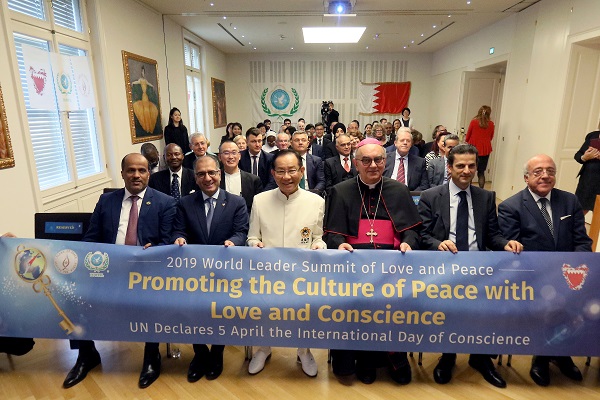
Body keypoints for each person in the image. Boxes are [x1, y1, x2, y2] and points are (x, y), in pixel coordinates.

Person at [63, 153, 176, 389]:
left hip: (146, 274)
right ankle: (86, 354)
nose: (136, 175)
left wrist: (155, 250)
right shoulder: (107, 201)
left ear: (149, 174)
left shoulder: (164, 202)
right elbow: (91, 237)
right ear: (122, 173)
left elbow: (167, 243)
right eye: (131, 170)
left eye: (142, 170)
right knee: (73, 297)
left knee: (153, 301)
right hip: (107, 271)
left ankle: (151, 356)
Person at [418, 144, 522, 389]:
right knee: (449, 312)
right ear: (449, 167)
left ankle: (480, 357)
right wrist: (438, 244)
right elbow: (422, 235)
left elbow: (493, 235)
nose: (466, 170)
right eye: (460, 165)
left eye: (471, 165)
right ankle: (448, 356)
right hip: (445, 267)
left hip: (479, 267)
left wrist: (505, 244)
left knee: (486, 311)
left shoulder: (486, 197)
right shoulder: (431, 196)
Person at [324, 139, 422, 385]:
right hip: (352, 270)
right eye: (366, 160)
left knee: (393, 311)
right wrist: (339, 244)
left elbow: (412, 230)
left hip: (392, 270)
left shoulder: (399, 190)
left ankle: (395, 359)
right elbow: (332, 233)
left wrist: (408, 243)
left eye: (378, 160)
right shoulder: (340, 191)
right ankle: (364, 361)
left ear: (385, 162)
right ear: (356, 163)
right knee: (356, 311)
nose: (373, 165)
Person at [498, 154, 592, 387]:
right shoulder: (511, 206)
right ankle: (541, 356)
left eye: (550, 171)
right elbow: (513, 251)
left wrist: (577, 269)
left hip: (569, 275)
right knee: (547, 303)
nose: (545, 176)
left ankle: (561, 354)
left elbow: (582, 241)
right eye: (538, 172)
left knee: (579, 299)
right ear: (526, 178)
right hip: (532, 277)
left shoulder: (570, 201)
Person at [246, 150, 326, 377]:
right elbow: (252, 236)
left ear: (302, 171)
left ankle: (303, 350)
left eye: (292, 170)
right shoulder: (260, 200)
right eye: (280, 171)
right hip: (268, 271)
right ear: (273, 173)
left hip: (301, 273)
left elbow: (317, 237)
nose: (287, 176)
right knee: (264, 312)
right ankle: (263, 348)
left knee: (303, 312)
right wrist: (255, 244)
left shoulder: (316, 201)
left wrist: (319, 245)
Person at [172, 154, 248, 383]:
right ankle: (200, 354)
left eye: (212, 173)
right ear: (195, 178)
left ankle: (216, 352)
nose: (207, 178)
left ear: (219, 174)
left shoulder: (236, 202)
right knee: (193, 313)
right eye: (201, 174)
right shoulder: (185, 203)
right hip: (193, 274)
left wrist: (233, 242)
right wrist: (179, 239)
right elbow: (179, 230)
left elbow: (241, 232)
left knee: (219, 313)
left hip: (225, 272)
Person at [219, 140, 263, 214]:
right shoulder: (214, 179)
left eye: (234, 153)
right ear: (220, 157)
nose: (231, 157)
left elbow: (257, 207)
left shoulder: (253, 180)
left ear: (239, 156)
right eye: (226, 153)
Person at [466, 105, 495, 188]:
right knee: (481, 172)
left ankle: (468, 189)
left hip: (473, 148)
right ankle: (481, 190)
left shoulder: (473, 122)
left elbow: (468, 136)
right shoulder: (491, 124)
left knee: (469, 170)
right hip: (485, 150)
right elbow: (491, 137)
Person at [289, 130, 325, 195]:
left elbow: (321, 182)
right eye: (297, 140)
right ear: (291, 143)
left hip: (311, 194)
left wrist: (312, 194)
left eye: (303, 140)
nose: (300, 143)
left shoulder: (316, 160)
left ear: (308, 144)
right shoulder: (286, 161)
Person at [574, 129, 600, 213]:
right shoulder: (592, 136)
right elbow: (578, 155)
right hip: (587, 181)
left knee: (598, 215)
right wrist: (585, 157)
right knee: (578, 212)